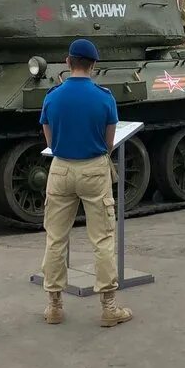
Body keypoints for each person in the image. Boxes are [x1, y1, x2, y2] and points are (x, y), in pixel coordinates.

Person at [38, 38, 134, 327]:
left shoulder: (52, 97)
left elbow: (49, 137)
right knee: (102, 238)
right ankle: (109, 307)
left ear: (68, 63)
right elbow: (108, 142)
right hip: (94, 169)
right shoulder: (104, 97)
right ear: (93, 65)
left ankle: (54, 305)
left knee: (55, 238)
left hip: (61, 169)